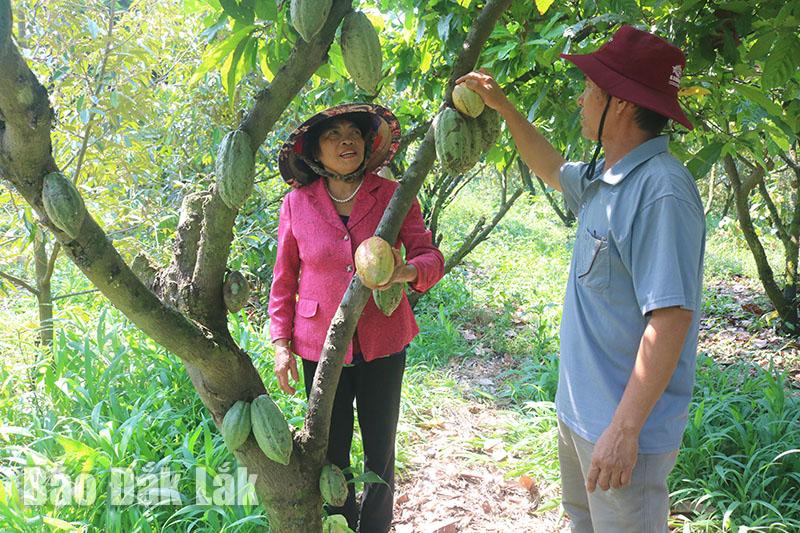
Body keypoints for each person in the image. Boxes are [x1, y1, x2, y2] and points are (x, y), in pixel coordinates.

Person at [458, 25, 705, 532]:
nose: (580, 97)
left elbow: (671, 318)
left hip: (620, 433)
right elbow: (549, 165)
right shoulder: (607, 178)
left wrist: (624, 429)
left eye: (591, 90)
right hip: (581, 416)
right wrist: (505, 109)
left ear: (620, 104)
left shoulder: (660, 192)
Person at [268, 103, 445, 532]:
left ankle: (377, 527)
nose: (346, 140)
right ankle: (341, 524)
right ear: (314, 153)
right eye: (333, 135)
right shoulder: (297, 203)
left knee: (380, 447)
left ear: (368, 144)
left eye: (354, 132)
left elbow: (430, 255)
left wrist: (407, 271)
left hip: (383, 339)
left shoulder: (392, 196)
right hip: (318, 343)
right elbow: (284, 276)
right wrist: (280, 343)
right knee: (331, 451)